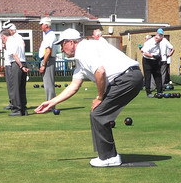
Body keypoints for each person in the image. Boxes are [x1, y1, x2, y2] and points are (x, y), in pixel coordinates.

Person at [35, 28, 142, 167]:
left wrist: (100, 97)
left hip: (126, 79)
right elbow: (74, 86)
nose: (61, 49)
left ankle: (109, 157)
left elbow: (100, 71)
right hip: (129, 77)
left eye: (62, 45)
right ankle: (108, 155)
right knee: (98, 114)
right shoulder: (82, 57)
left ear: (71, 43)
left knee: (98, 114)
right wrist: (51, 102)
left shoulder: (84, 50)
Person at [3, 23, 29, 115]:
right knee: (21, 88)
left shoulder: (11, 40)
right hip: (23, 61)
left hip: (17, 64)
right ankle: (23, 109)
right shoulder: (19, 39)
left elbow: (14, 55)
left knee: (15, 88)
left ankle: (17, 109)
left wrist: (21, 66)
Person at [38, 17, 58, 103]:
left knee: (49, 84)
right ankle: (50, 103)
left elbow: (48, 51)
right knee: (47, 83)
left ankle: (51, 104)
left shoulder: (50, 35)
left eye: (42, 24)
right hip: (47, 60)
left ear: (46, 25)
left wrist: (43, 64)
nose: (41, 26)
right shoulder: (47, 35)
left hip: (48, 60)